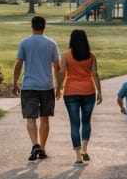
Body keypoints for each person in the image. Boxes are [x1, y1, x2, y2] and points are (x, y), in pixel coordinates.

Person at [12, 15, 62, 162]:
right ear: (44, 26)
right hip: (47, 85)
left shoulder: (24, 43)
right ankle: (43, 148)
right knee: (45, 118)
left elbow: (18, 64)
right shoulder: (51, 44)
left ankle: (35, 144)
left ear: (32, 26)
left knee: (30, 118)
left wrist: (15, 82)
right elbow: (57, 66)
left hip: (29, 85)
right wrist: (59, 87)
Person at [58, 29, 102, 165]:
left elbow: (62, 72)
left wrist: (58, 87)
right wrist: (99, 91)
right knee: (86, 122)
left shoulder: (66, 55)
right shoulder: (91, 55)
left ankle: (78, 156)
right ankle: (84, 149)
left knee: (74, 123)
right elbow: (95, 74)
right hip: (88, 91)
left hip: (71, 92)